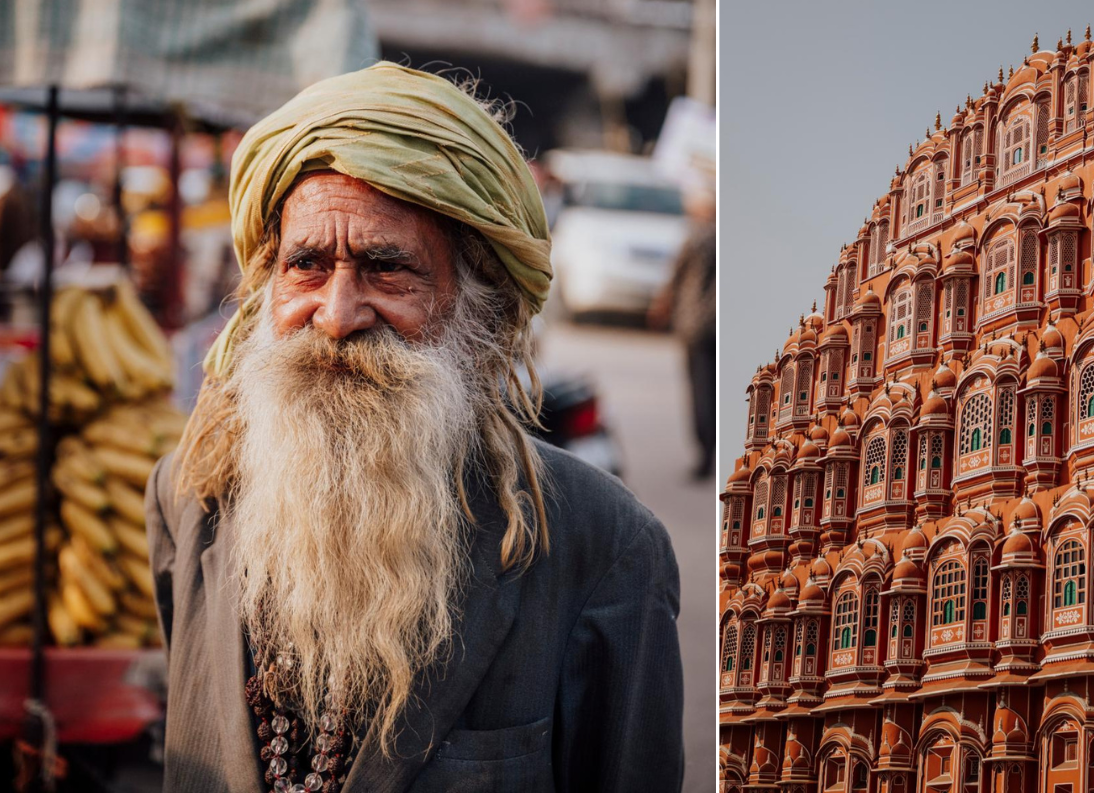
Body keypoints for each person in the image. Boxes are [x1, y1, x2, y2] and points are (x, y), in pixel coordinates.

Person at [146, 62, 684, 793]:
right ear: (267, 285)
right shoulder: (189, 498)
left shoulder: (607, 550)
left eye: (386, 268)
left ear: (481, 311)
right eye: (306, 264)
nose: (336, 316)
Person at [650, 184, 715, 481]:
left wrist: (661, 307)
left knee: (701, 391)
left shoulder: (698, 238)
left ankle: (705, 454)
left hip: (696, 326)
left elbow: (675, 278)